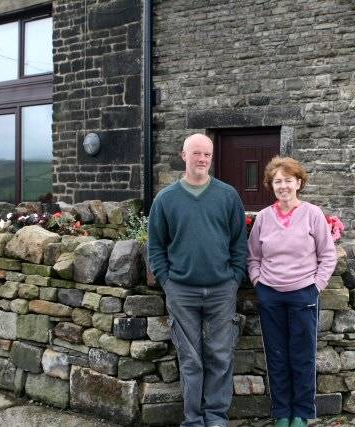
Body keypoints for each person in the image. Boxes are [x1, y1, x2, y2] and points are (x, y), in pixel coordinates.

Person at [148, 133, 247, 427]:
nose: (202, 159)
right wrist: (167, 282)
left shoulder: (227, 195)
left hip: (221, 290)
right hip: (181, 292)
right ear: (183, 156)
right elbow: (156, 247)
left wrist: (233, 279)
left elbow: (239, 244)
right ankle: (193, 420)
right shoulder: (166, 199)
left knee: (219, 356)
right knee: (190, 360)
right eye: (196, 154)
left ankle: (216, 418)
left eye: (207, 154)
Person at [247, 156, 337, 427]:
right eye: (277, 181)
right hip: (270, 295)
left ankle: (302, 414)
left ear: (299, 182)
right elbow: (252, 257)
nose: (283, 186)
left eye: (288, 180)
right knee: (276, 356)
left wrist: (315, 286)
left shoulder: (312, 214)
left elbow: (328, 255)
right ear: (271, 185)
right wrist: (258, 284)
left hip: (303, 295)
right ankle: (282, 413)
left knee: (302, 356)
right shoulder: (263, 217)